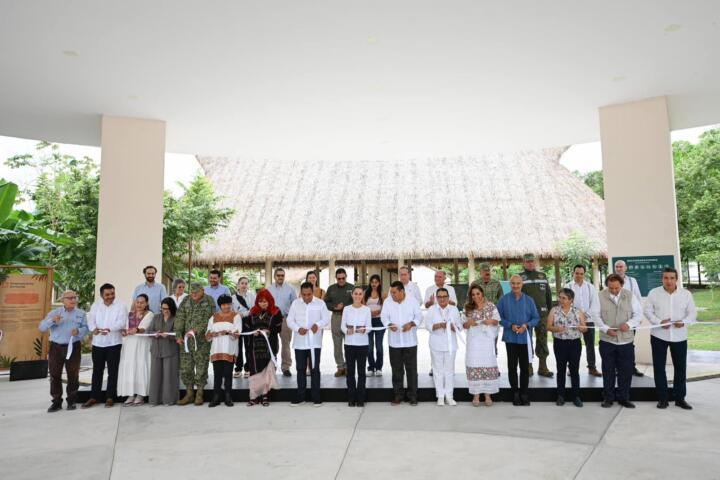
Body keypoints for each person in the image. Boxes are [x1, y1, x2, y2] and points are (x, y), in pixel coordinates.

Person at [644, 267, 697, 410]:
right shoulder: (653, 293)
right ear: (662, 279)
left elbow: (692, 313)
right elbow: (647, 311)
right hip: (658, 336)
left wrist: (684, 322)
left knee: (680, 368)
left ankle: (680, 398)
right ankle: (663, 399)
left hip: (680, 337)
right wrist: (658, 322)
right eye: (666, 278)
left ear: (676, 279)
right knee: (659, 368)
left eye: (672, 278)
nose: (669, 281)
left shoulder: (686, 294)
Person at [596, 274, 643, 408]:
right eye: (611, 288)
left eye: (617, 288)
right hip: (607, 341)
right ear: (607, 286)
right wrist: (605, 329)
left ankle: (624, 398)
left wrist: (629, 324)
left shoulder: (630, 295)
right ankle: (608, 398)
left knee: (626, 371)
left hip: (626, 342)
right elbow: (595, 315)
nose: (614, 291)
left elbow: (638, 314)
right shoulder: (599, 296)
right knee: (608, 371)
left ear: (621, 285)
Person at [38, 290, 89, 412]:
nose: (73, 300)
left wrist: (79, 332)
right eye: (69, 298)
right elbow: (41, 327)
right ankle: (56, 401)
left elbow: (86, 328)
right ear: (62, 300)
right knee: (55, 375)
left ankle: (71, 400)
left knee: (73, 375)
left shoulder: (81, 313)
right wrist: (52, 321)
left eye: (74, 297)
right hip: (56, 348)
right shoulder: (54, 313)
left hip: (73, 347)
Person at [82, 283, 128, 409]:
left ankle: (110, 397)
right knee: (97, 371)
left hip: (114, 343)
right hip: (98, 343)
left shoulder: (121, 305)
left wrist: (109, 329)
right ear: (102, 295)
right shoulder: (95, 305)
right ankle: (94, 397)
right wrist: (93, 329)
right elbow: (90, 320)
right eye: (107, 294)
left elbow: (121, 322)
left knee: (113, 372)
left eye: (112, 293)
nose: (110, 296)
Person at [497, 274, 539, 406]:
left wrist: (526, 325)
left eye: (518, 283)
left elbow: (536, 318)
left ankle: (524, 394)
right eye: (513, 283)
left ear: (522, 284)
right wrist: (510, 325)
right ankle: (515, 393)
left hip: (525, 339)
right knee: (512, 367)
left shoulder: (529, 300)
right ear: (510, 285)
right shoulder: (504, 300)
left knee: (525, 368)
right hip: (510, 339)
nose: (516, 286)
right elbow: (498, 317)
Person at [287, 282, 331, 406]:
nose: (306, 297)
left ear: (313, 292)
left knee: (315, 369)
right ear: (300, 293)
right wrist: (297, 328)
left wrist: (318, 325)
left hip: (314, 343)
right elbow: (290, 320)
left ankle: (316, 397)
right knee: (300, 369)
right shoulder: (295, 304)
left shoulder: (320, 303)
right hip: (300, 343)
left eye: (309, 294)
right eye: (304, 294)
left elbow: (327, 318)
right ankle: (301, 397)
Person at [174, 282, 216, 406]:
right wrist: (178, 334)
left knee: (201, 366)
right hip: (186, 341)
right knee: (186, 368)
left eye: (196, 292)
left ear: (202, 290)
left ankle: (200, 394)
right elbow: (180, 317)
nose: (194, 294)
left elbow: (209, 318)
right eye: (192, 292)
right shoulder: (186, 300)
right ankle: (189, 393)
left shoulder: (209, 300)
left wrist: (197, 329)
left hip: (201, 341)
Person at [381, 280, 422, 406]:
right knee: (397, 370)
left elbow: (419, 317)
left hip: (410, 341)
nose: (392, 295)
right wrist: (389, 324)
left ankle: (412, 396)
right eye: (391, 292)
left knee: (411, 370)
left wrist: (411, 324)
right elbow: (384, 317)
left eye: (394, 292)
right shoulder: (388, 302)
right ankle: (398, 395)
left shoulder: (413, 301)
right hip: (395, 342)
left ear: (401, 291)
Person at [547, 288, 588, 407]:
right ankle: (560, 396)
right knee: (561, 370)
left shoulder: (578, 311)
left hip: (575, 343)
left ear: (571, 300)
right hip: (560, 343)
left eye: (564, 298)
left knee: (574, 370)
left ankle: (576, 396)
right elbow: (549, 327)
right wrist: (556, 329)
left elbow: (585, 328)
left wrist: (581, 328)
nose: (561, 300)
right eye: (560, 297)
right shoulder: (554, 311)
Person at [243, 289, 283, 406]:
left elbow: (278, 328)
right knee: (255, 371)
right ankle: (254, 396)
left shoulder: (276, 311)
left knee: (267, 371)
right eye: (260, 301)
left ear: (270, 301)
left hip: (269, 346)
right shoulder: (253, 312)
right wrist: (252, 331)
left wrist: (269, 331)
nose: (263, 304)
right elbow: (246, 327)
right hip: (254, 347)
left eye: (265, 301)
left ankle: (265, 396)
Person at [463, 285, 500, 407]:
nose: (476, 296)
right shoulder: (468, 308)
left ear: (482, 294)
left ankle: (488, 394)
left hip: (486, 341)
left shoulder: (491, 306)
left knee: (488, 363)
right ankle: (476, 394)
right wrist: (469, 323)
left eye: (478, 294)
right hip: (474, 342)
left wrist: (490, 321)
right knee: (474, 363)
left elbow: (497, 321)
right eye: (473, 295)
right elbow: (463, 325)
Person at [426, 287, 462, 406]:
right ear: (436, 298)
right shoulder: (431, 309)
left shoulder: (454, 309)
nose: (442, 299)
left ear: (448, 297)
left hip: (450, 345)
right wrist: (439, 325)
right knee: (438, 371)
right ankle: (440, 396)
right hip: (436, 344)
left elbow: (460, 327)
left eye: (444, 297)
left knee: (449, 371)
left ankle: (449, 396)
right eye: (439, 297)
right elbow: (427, 325)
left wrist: (452, 327)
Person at [564, 264, 602, 377]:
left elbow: (595, 304)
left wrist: (585, 316)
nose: (579, 276)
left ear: (584, 274)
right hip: (572, 321)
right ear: (573, 273)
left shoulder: (590, 287)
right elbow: (565, 303)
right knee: (572, 346)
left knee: (590, 345)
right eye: (577, 273)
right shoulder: (568, 286)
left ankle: (592, 368)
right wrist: (577, 316)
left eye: (581, 273)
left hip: (588, 320)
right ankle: (571, 368)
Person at [519, 253, 553, 378]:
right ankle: (528, 366)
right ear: (524, 263)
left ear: (535, 262)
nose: (530, 263)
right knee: (526, 342)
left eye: (532, 261)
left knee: (542, 340)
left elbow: (548, 295)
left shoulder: (542, 276)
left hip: (542, 314)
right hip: (526, 316)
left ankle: (543, 367)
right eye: (527, 261)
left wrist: (550, 313)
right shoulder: (520, 277)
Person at [205, 294, 242, 407]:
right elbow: (208, 334)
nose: (226, 306)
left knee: (227, 374)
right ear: (220, 305)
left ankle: (228, 396)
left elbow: (237, 331)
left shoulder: (236, 316)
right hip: (216, 349)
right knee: (217, 374)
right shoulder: (213, 317)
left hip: (229, 348)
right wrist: (216, 333)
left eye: (229, 304)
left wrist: (230, 332)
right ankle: (216, 397)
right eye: (224, 304)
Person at [118, 294, 154, 406]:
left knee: (140, 366)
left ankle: (141, 395)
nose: (139, 304)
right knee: (130, 367)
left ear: (147, 303)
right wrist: (123, 331)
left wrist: (136, 329)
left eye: (142, 302)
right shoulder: (129, 314)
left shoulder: (150, 314)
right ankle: (130, 394)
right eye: (137, 302)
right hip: (129, 345)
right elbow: (124, 327)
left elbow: (144, 328)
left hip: (142, 344)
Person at [614, 259, 645, 377]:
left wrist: (639, 315)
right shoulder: (610, 280)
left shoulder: (632, 281)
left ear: (625, 268)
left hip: (630, 319)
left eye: (621, 267)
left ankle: (631, 367)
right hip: (615, 318)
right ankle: (617, 368)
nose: (619, 269)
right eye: (617, 267)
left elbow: (638, 298)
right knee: (616, 344)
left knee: (630, 343)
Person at [342, 286, 372, 407]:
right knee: (350, 373)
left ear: (363, 296)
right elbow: (342, 326)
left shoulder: (366, 310)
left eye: (360, 294)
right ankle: (351, 398)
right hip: (349, 344)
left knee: (361, 372)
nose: (358, 296)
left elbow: (369, 327)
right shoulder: (346, 309)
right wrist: (346, 331)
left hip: (362, 344)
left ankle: (361, 398)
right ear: (352, 295)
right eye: (356, 293)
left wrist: (363, 330)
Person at [147, 297, 180, 406]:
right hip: (156, 350)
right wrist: (154, 333)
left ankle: (169, 400)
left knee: (169, 376)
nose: (164, 310)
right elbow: (149, 331)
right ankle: (154, 400)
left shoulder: (177, 318)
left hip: (170, 351)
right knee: (155, 376)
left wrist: (169, 335)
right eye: (162, 308)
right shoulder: (156, 317)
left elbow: (179, 333)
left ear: (171, 308)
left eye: (167, 308)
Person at [324, 268, 354, 377]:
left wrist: (345, 307)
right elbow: (325, 303)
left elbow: (357, 301)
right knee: (337, 344)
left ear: (346, 277)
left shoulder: (352, 288)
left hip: (349, 318)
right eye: (339, 278)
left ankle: (348, 367)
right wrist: (334, 307)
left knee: (349, 343)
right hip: (336, 317)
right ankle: (340, 367)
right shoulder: (331, 289)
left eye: (343, 278)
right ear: (336, 278)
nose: (341, 280)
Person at [267, 267, 297, 377]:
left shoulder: (290, 288)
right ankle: (272, 366)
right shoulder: (269, 289)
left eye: (282, 275)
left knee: (286, 344)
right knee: (272, 344)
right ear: (275, 276)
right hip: (272, 320)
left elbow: (295, 304)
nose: (280, 277)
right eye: (278, 275)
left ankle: (286, 367)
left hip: (285, 319)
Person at [232, 276, 256, 379]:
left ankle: (248, 368)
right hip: (236, 322)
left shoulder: (252, 296)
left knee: (248, 346)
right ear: (238, 285)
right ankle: (238, 368)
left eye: (246, 283)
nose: (244, 285)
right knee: (238, 346)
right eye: (242, 283)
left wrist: (243, 314)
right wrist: (237, 315)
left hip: (248, 322)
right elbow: (231, 310)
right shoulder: (233, 298)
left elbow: (254, 309)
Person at [364, 274, 385, 376]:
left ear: (379, 283)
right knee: (369, 346)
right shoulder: (365, 293)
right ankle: (371, 367)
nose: (374, 284)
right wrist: (369, 313)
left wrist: (378, 312)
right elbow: (363, 307)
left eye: (376, 282)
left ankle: (379, 367)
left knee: (379, 345)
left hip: (379, 321)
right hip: (368, 322)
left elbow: (385, 307)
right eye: (372, 282)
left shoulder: (382, 294)